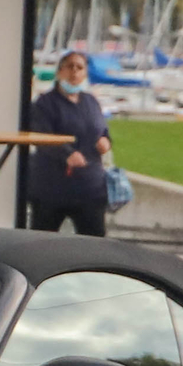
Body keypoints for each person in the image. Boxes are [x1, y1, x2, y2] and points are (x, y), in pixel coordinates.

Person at [26, 51, 112, 236]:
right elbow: (40, 136)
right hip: (51, 189)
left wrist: (106, 141)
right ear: (59, 72)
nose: (74, 72)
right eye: (69, 66)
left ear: (85, 73)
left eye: (79, 67)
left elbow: (102, 131)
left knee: (94, 244)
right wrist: (66, 154)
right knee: (42, 242)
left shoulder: (91, 102)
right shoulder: (44, 103)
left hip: (90, 189)